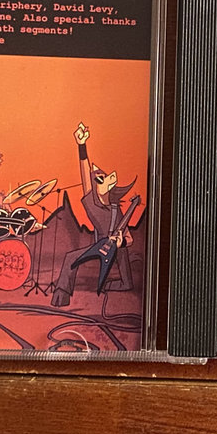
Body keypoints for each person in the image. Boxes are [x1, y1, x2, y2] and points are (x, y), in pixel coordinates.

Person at [51, 122, 136, 307]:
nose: (98, 181)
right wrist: (82, 145)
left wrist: (122, 242)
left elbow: (129, 238)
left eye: (101, 178)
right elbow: (85, 175)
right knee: (71, 257)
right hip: (99, 245)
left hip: (116, 247)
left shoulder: (116, 209)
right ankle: (61, 294)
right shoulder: (92, 203)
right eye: (96, 179)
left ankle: (119, 284)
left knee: (122, 256)